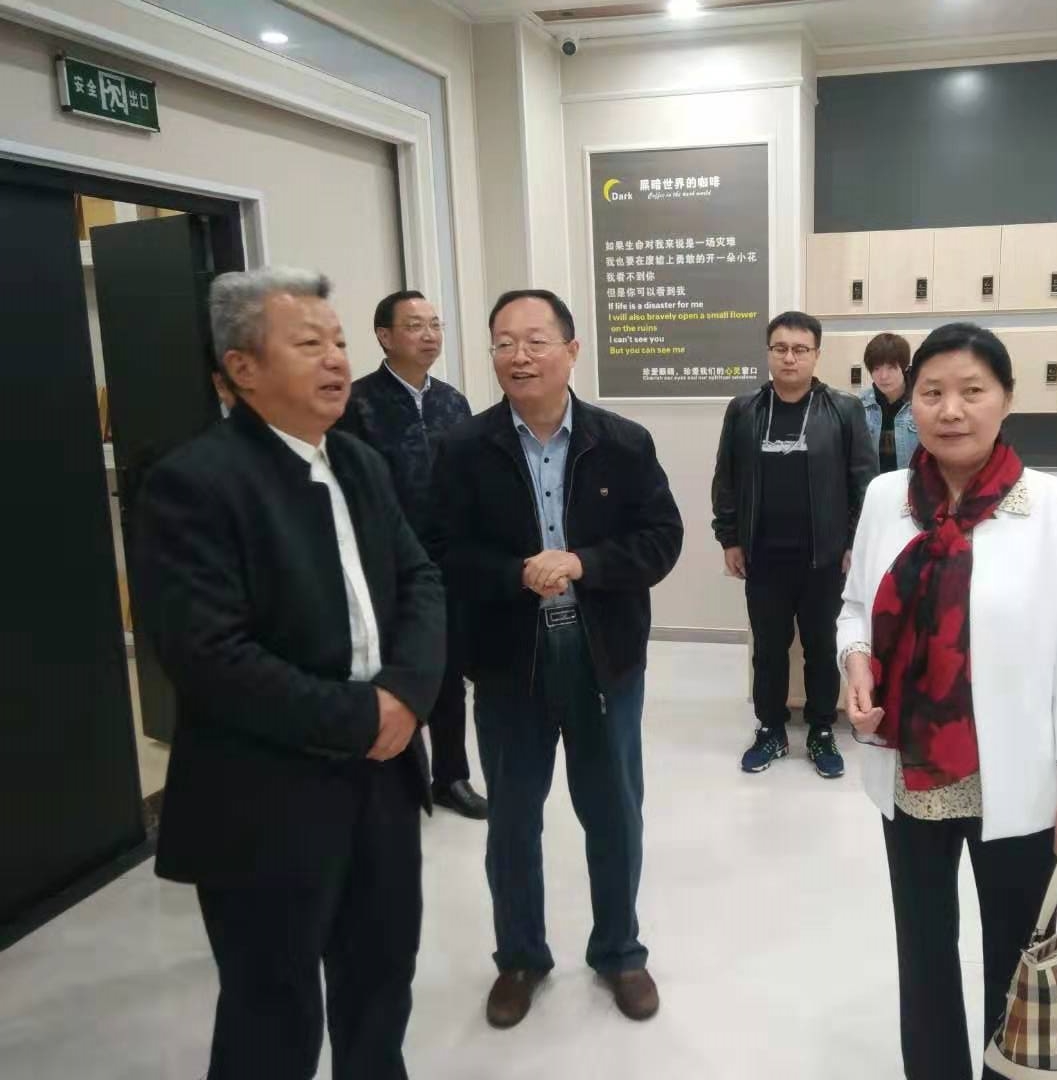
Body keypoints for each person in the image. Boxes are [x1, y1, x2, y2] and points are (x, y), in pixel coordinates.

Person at [134, 268, 445, 1080]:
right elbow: (210, 657)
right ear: (242, 369)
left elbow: (420, 579)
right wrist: (363, 717)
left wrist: (408, 695)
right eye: (309, 344)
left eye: (338, 341)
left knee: (381, 982)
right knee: (272, 1014)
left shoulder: (359, 463)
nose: (337, 358)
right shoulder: (193, 483)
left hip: (382, 778)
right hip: (264, 796)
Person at [837, 322, 1057, 1080]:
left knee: (1018, 956)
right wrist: (854, 660)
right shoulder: (887, 496)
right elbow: (854, 607)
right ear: (912, 403)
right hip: (912, 774)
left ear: (1006, 400)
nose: (950, 410)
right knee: (923, 951)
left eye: (971, 391)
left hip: (1015, 780)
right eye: (932, 393)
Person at [431, 288, 683, 1029]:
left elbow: (660, 540)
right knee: (513, 819)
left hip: (604, 658)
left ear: (572, 351)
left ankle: (620, 952)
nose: (519, 356)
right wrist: (515, 574)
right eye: (504, 342)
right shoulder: (463, 449)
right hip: (510, 661)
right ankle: (520, 957)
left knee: (614, 812)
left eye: (536, 340)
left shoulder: (623, 443)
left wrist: (583, 563)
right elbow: (440, 552)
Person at [336, 290, 486, 820]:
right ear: (384, 336)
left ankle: (451, 776)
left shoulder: (452, 402)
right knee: (389, 673)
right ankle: (393, 781)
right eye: (415, 325)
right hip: (383, 563)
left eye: (435, 325)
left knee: (447, 672)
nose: (430, 335)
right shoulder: (356, 404)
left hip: (447, 559)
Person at [711, 311, 878, 780]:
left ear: (816, 355)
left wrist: (854, 544)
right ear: (769, 353)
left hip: (825, 558)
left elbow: (863, 483)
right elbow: (726, 479)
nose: (789, 357)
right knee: (768, 649)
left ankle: (822, 729)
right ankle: (771, 729)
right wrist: (729, 538)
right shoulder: (744, 410)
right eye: (780, 348)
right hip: (763, 556)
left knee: (822, 649)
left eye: (800, 349)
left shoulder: (843, 410)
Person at [858, 332, 919, 472]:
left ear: (904, 367)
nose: (883, 376)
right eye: (876, 369)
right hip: (874, 483)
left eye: (891, 368)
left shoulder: (920, 403)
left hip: (912, 482)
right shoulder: (860, 405)